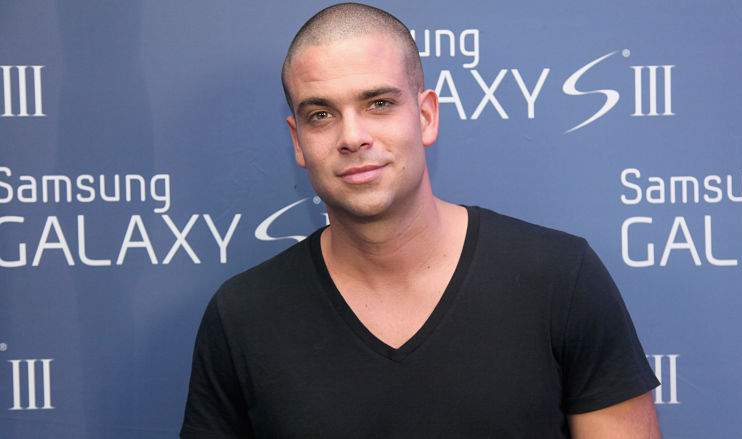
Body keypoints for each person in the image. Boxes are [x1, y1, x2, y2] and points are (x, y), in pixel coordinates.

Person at [180, 3, 661, 438]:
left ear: (427, 115)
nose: (352, 136)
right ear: (298, 141)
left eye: (379, 104)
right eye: (321, 114)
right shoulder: (242, 315)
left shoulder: (559, 277)